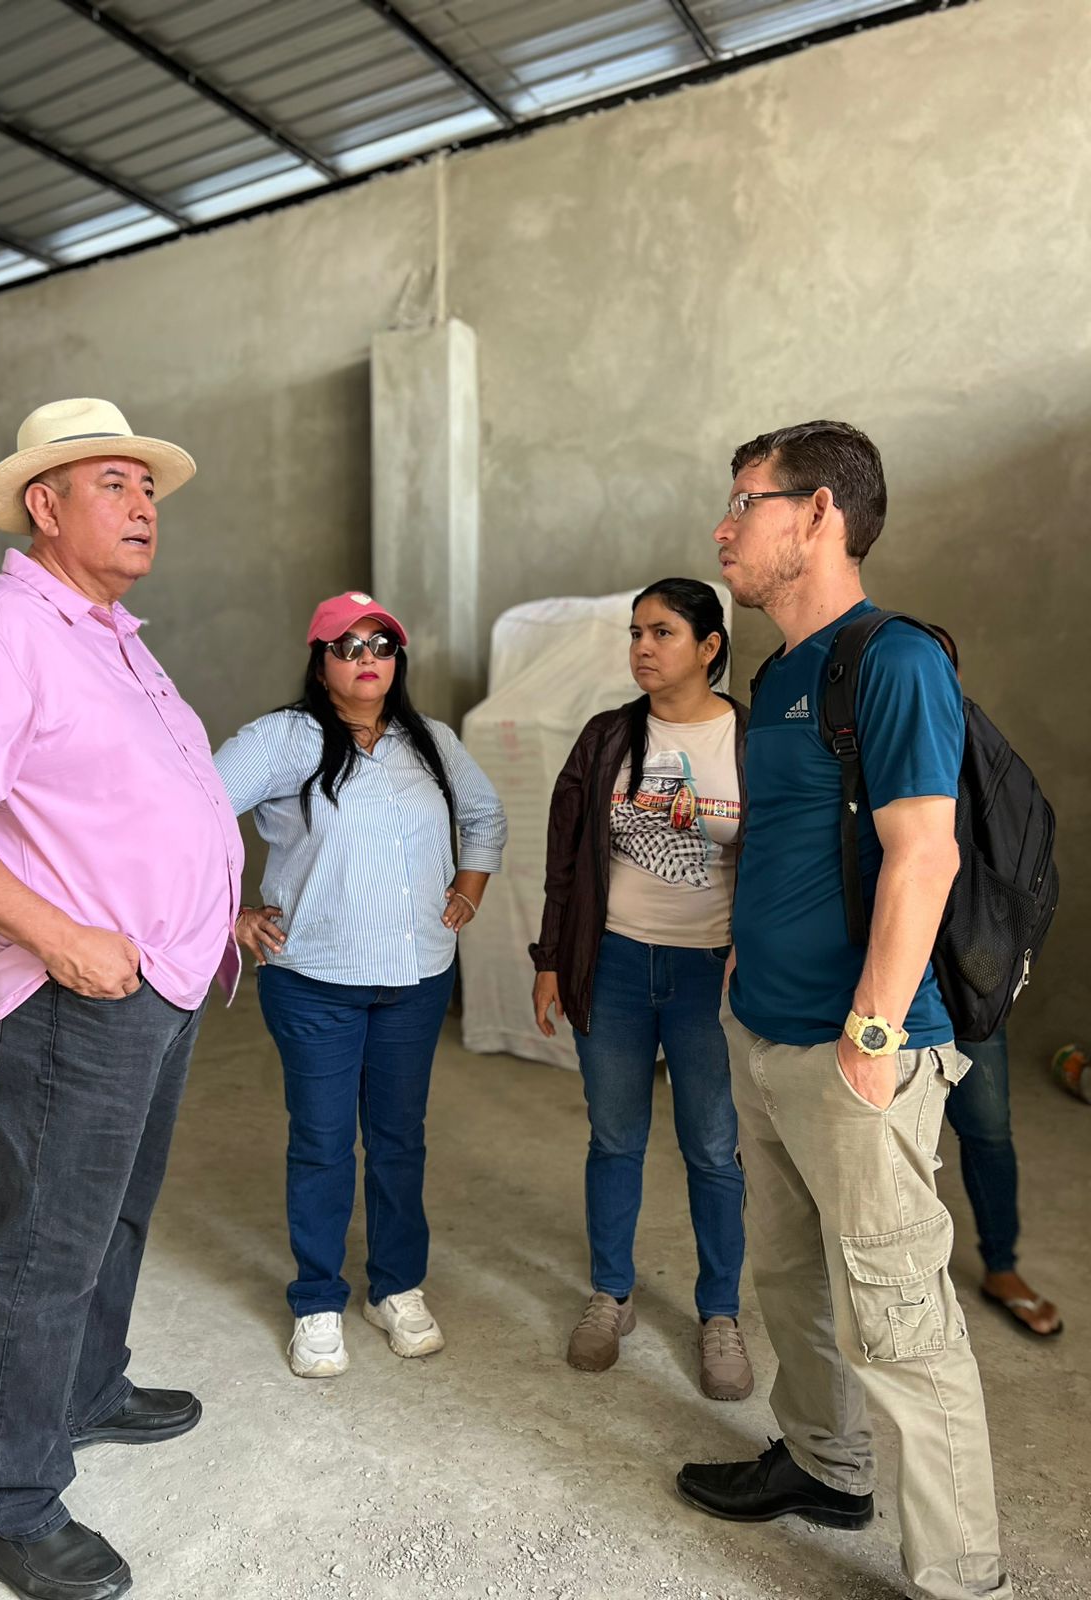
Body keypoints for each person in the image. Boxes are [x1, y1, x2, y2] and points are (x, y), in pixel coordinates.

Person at [0, 398, 243, 1600]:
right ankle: (14, 1506)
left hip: (157, 980)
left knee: (117, 1214)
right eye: (113, 483)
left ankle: (89, 1389)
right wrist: (64, 940)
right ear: (44, 505)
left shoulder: (112, 636)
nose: (144, 505)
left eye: (147, 487)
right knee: (44, 1246)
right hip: (74, 991)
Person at [676, 422, 1010, 1600]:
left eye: (745, 502)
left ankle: (964, 1577)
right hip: (766, 1032)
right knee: (790, 1277)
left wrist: (871, 1042)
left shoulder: (894, 660)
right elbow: (783, 837)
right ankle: (825, 1465)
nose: (723, 527)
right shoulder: (778, 676)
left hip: (858, 1051)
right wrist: (742, 967)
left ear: (818, 513)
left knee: (901, 1324)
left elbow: (925, 856)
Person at [214, 591, 506, 1380]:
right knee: (321, 1142)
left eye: (381, 645)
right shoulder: (283, 739)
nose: (367, 658)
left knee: (399, 1140)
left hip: (417, 979)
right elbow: (188, 814)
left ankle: (395, 1287)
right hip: (316, 982)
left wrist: (468, 888)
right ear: (320, 663)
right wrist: (229, 916)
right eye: (347, 646)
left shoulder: (431, 741)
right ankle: (317, 1299)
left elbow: (485, 817)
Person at [531, 579, 751, 1400]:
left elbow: (783, 856)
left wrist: (760, 950)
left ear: (710, 646)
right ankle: (611, 1294)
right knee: (615, 1137)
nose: (643, 648)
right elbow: (565, 858)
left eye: (662, 632)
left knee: (714, 1149)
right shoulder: (607, 737)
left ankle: (720, 1313)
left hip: (709, 975)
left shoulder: (751, 739)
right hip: (615, 964)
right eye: (635, 633)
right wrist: (551, 958)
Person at [927, 624, 1059, 1339]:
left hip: (968, 970)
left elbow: (1020, 862)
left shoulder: (978, 754)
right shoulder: (855, 751)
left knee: (984, 1125)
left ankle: (1001, 1263)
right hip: (880, 979)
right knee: (886, 1136)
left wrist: (1002, 959)